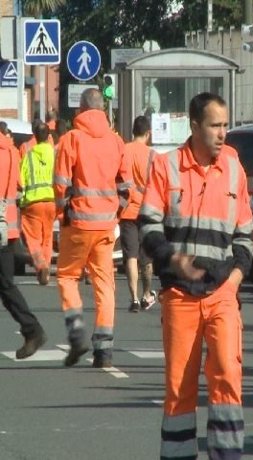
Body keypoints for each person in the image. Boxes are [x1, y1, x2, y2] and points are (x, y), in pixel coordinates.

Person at [139, 92, 253, 459]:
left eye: (225, 125)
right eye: (215, 126)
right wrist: (174, 259)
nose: (223, 133)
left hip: (222, 293)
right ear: (194, 127)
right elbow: (148, 226)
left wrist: (235, 277)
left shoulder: (234, 169)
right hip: (180, 295)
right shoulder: (166, 166)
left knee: (227, 379)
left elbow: (246, 236)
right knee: (179, 388)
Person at [53, 88, 132, 368]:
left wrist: (61, 210)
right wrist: (115, 211)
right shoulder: (116, 142)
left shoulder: (70, 139)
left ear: (82, 109)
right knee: (105, 285)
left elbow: (60, 185)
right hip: (106, 226)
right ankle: (104, 350)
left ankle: (76, 333)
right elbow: (127, 186)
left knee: (67, 277)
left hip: (77, 223)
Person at [0, 120, 47, 360]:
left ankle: (33, 330)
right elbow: (17, 187)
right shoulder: (10, 150)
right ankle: (32, 329)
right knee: (6, 285)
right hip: (7, 228)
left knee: (6, 285)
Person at [119, 116, 157, 313]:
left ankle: (133, 299)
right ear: (148, 133)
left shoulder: (123, 150)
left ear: (133, 131)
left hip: (127, 210)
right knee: (147, 257)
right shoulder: (153, 156)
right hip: (147, 210)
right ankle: (147, 294)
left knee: (131, 256)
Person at [19, 121, 56, 285]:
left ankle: (41, 265)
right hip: (51, 201)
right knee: (47, 237)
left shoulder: (29, 155)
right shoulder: (55, 153)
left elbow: (20, 181)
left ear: (34, 136)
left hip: (33, 203)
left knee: (33, 238)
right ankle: (46, 268)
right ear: (49, 136)